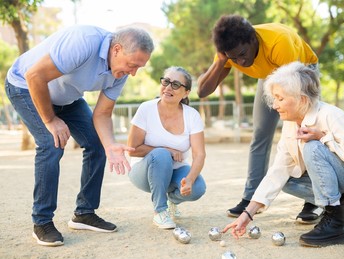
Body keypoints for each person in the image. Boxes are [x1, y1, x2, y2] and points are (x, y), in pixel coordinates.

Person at [5, 25, 154, 246]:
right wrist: (50, 120)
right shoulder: (84, 42)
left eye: (139, 68)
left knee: (98, 144)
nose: (133, 73)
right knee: (51, 143)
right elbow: (34, 75)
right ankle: (42, 222)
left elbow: (102, 113)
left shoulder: (120, 72)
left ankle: (84, 213)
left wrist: (110, 144)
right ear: (117, 49)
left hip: (67, 98)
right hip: (25, 86)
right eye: (133, 65)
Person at [223, 61, 344, 247]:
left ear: (302, 99)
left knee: (312, 147)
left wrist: (322, 137)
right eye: (274, 98)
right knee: (288, 179)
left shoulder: (331, 115)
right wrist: (247, 214)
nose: (275, 105)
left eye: (280, 98)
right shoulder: (290, 124)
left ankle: (335, 223)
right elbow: (278, 171)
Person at [197, 14, 322, 223]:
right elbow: (202, 91)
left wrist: (294, 120)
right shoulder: (230, 51)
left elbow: (292, 88)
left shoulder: (278, 42)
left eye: (243, 54)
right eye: (234, 58)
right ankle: (250, 197)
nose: (241, 62)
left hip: (300, 73)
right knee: (260, 133)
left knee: (304, 132)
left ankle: (314, 199)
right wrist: (221, 61)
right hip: (270, 74)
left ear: (253, 39)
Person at [127, 66, 207, 229]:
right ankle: (160, 212)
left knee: (198, 188)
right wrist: (167, 150)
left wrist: (190, 180)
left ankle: (172, 200)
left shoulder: (192, 115)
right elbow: (132, 148)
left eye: (176, 84)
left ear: (186, 92)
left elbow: (199, 155)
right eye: (166, 81)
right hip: (142, 170)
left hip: (175, 170)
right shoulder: (146, 108)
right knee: (162, 154)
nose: (168, 87)